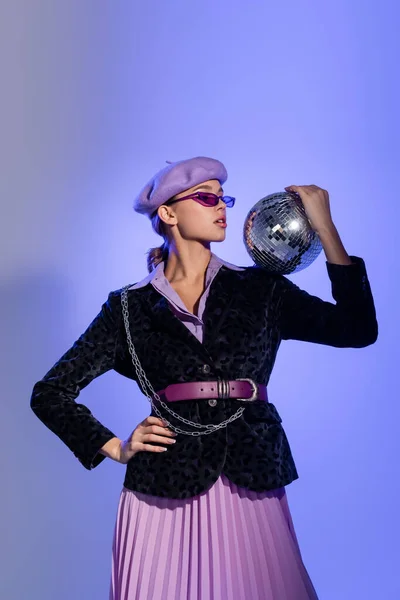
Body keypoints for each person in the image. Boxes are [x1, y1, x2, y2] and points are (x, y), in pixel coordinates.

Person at [30, 156, 378, 600]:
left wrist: (327, 231)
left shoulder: (261, 289)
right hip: (162, 488)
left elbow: (357, 330)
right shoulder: (127, 309)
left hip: (252, 477)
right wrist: (115, 446)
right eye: (207, 197)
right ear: (168, 214)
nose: (223, 208)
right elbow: (51, 393)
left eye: (224, 198)